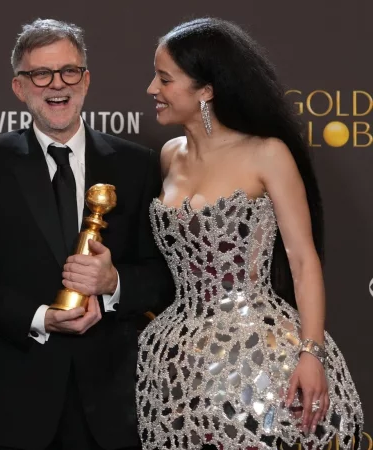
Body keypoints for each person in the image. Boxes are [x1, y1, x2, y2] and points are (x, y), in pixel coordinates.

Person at [0, 19, 174, 450]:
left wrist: (113, 285)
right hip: (16, 394)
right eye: (40, 74)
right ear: (19, 87)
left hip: (113, 400)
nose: (56, 85)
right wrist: (38, 317)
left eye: (68, 71)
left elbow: (165, 275)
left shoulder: (136, 164)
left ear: (86, 80)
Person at [137, 17, 365, 450]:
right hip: (178, 359)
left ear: (205, 90)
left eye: (164, 79)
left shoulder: (266, 154)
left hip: (259, 355)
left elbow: (302, 259)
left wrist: (310, 353)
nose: (152, 89)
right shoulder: (170, 156)